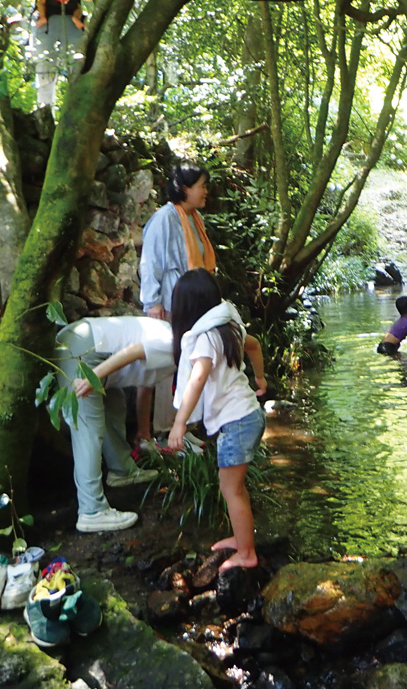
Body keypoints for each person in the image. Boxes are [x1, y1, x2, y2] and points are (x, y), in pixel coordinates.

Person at [166, 269, 268, 571]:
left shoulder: (204, 338)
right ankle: (241, 538)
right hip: (247, 414)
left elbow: (196, 380)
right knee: (234, 486)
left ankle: (247, 552)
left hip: (237, 422)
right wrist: (259, 376)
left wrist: (179, 423)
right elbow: (255, 344)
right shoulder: (228, 325)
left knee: (230, 488)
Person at [53, 316, 171, 533]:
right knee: (89, 427)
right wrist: (91, 379)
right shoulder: (172, 343)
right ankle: (92, 511)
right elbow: (133, 351)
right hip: (81, 352)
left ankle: (122, 471)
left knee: (114, 404)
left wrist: (144, 432)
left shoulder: (175, 340)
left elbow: (147, 384)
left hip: (88, 345)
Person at [138, 164, 216, 446]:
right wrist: (153, 303)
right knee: (163, 366)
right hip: (171, 304)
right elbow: (150, 263)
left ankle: (184, 426)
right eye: (202, 185)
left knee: (188, 364)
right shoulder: (164, 218)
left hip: (192, 305)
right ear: (185, 189)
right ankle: (158, 433)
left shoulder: (194, 219)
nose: (206, 191)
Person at [26, 0, 94, 111]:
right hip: (47, 21)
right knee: (45, 66)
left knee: (77, 64)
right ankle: (44, 110)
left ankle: (77, 109)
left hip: (71, 21)